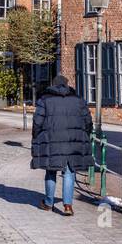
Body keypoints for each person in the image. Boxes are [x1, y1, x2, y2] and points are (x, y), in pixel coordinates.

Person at [31, 74, 93, 216]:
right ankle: (67, 206)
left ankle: (48, 203)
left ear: (53, 85)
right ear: (67, 85)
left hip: (51, 140)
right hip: (72, 141)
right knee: (69, 172)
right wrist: (85, 135)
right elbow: (88, 121)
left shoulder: (45, 100)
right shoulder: (78, 100)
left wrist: (36, 136)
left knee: (51, 170)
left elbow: (37, 122)